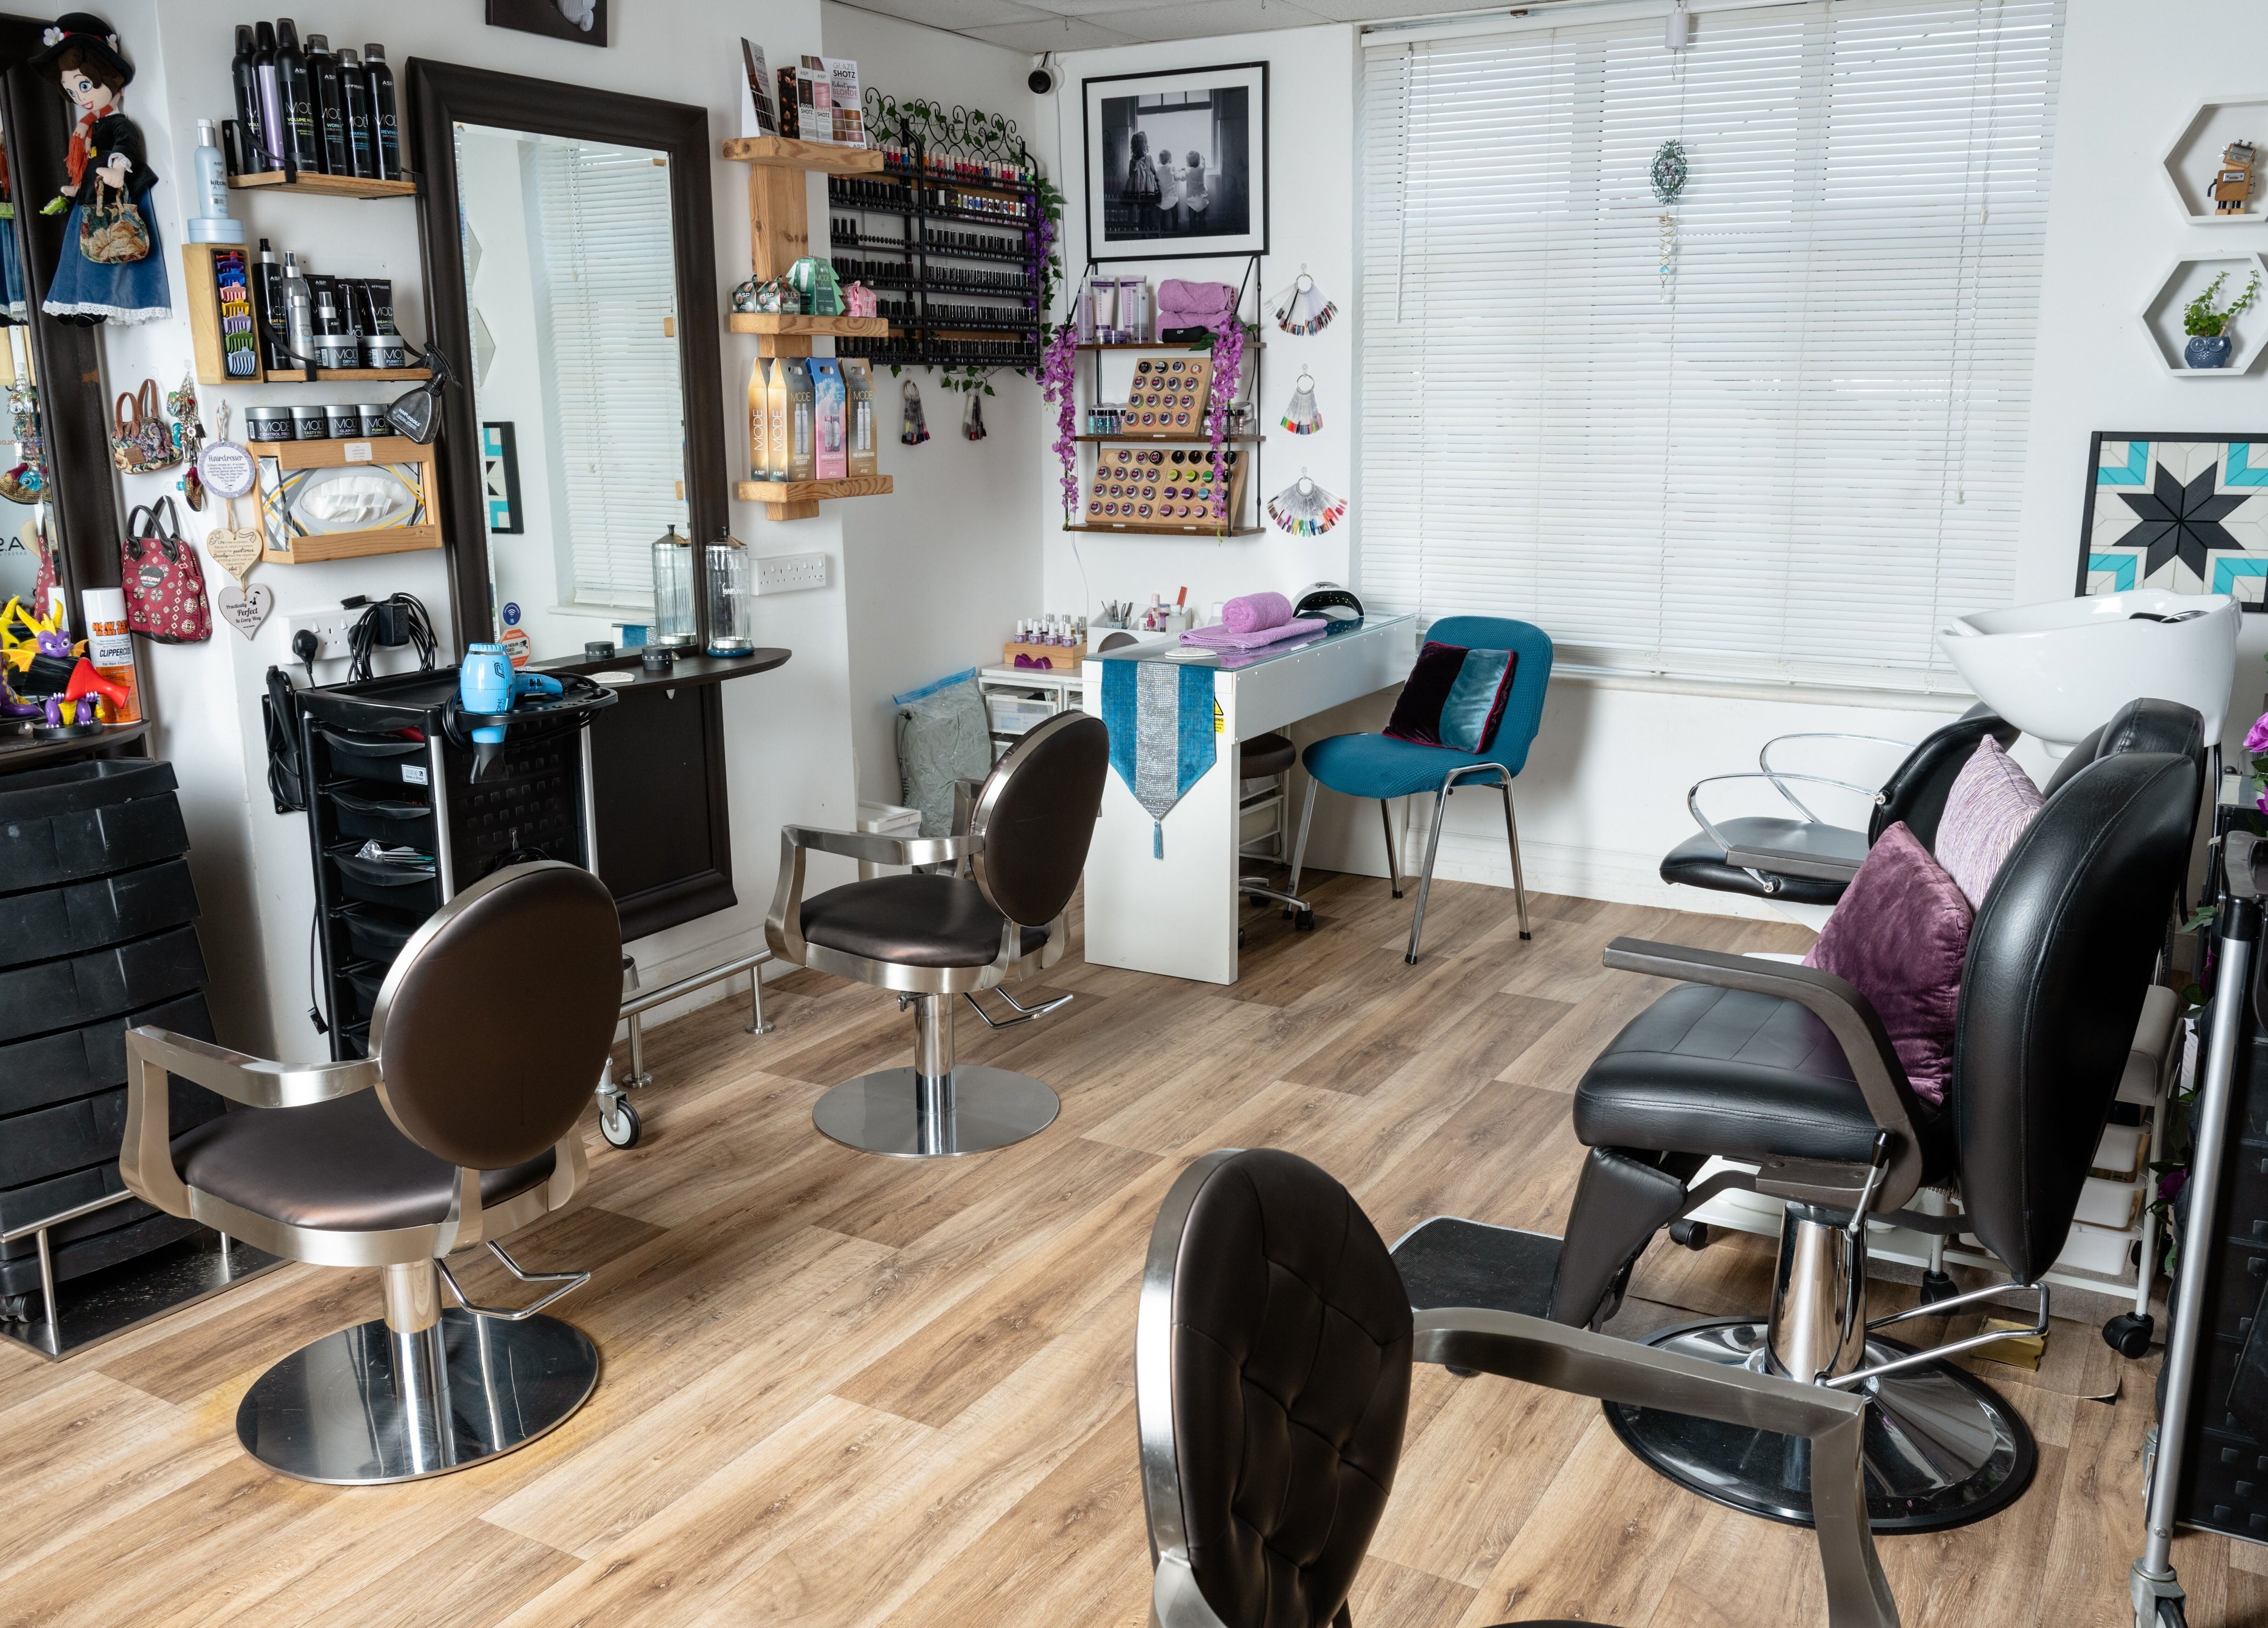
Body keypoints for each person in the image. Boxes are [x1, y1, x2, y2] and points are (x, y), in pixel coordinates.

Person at [32, 13, 168, 325]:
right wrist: (75, 189)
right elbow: (88, 162)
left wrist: (118, 168)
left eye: (84, 85)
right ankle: (72, 299)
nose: (80, 97)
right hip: (92, 196)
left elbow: (126, 142)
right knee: (79, 253)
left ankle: (99, 303)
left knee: (109, 249)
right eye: (73, 91)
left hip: (111, 195)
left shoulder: (116, 122)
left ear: (108, 76)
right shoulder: (89, 129)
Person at [1120, 128, 1160, 234]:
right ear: (1145, 145)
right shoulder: (1149, 159)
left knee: (1137, 209)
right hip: (1148, 188)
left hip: (1135, 189)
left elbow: (1130, 174)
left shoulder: (1132, 161)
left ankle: (1140, 229)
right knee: (1148, 208)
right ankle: (1147, 229)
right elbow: (1154, 171)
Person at [1156, 147, 1185, 233]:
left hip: (1162, 198)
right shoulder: (1172, 168)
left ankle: (1162, 229)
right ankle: (1175, 228)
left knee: (1162, 214)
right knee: (1175, 213)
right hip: (1172, 197)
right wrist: (1183, 172)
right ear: (1171, 161)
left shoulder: (1157, 170)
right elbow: (1177, 177)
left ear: (1159, 161)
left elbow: (1156, 180)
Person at [1182, 151, 1211, 232]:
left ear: (1188, 164)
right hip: (1202, 198)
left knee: (1192, 219)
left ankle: (1193, 233)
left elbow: (1182, 178)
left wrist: (1183, 171)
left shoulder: (1187, 172)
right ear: (1198, 162)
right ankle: (1202, 232)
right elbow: (1204, 165)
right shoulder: (1201, 169)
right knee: (1202, 218)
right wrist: (1203, 160)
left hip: (1192, 199)